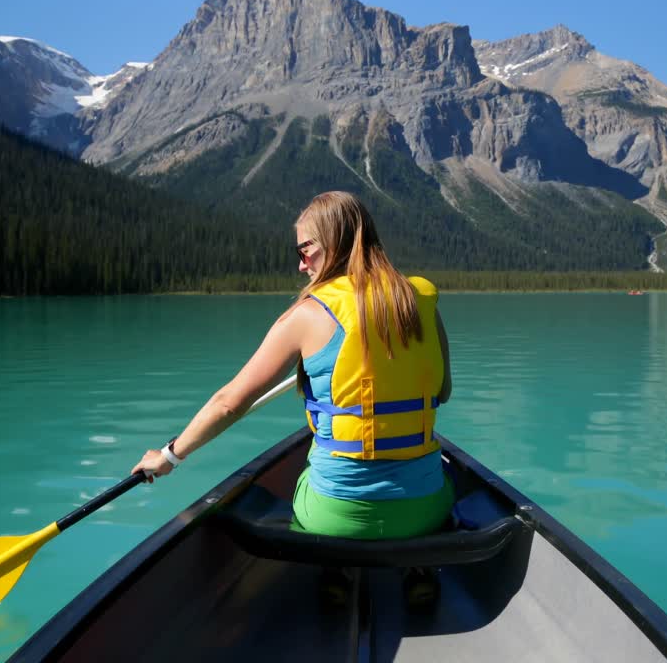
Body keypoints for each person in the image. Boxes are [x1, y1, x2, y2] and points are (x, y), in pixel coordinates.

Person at [131, 190, 454, 542]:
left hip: (337, 515)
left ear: (332, 243)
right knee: (440, 478)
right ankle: (416, 575)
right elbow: (443, 392)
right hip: (424, 509)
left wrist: (169, 457)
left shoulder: (307, 315)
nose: (301, 264)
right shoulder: (420, 300)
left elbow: (228, 403)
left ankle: (336, 575)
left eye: (305, 250)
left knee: (307, 473)